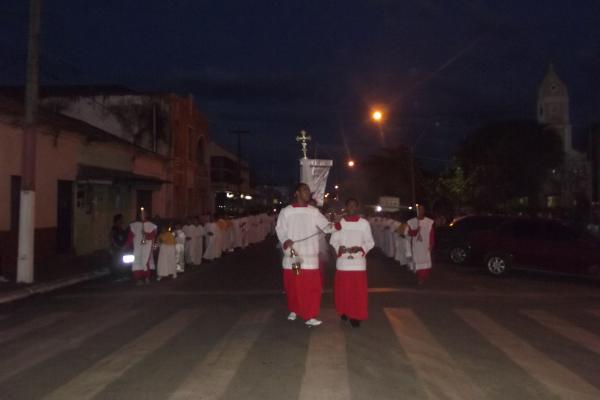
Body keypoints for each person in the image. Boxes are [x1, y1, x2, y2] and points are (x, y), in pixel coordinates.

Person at [275, 183, 335, 327]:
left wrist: (335, 223)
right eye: (304, 190)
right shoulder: (286, 211)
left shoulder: (313, 211)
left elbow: (327, 227)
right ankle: (294, 309)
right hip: (294, 256)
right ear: (297, 193)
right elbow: (280, 229)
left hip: (310, 257)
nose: (308, 192)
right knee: (294, 286)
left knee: (311, 287)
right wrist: (285, 240)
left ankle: (310, 315)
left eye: (308, 190)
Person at [329, 198, 374, 328]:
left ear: (357, 208)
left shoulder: (364, 223)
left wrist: (361, 248)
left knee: (357, 292)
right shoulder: (340, 223)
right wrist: (340, 248)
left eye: (354, 206)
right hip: (343, 263)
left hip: (358, 263)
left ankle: (355, 315)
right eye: (349, 206)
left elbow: (370, 242)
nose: (352, 208)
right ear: (346, 208)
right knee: (343, 291)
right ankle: (344, 311)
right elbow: (333, 240)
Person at [126, 208, 157, 285]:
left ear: (147, 215)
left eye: (144, 213)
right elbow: (130, 236)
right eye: (141, 214)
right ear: (139, 215)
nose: (142, 215)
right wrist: (127, 245)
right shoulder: (134, 225)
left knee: (145, 260)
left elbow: (153, 235)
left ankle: (146, 277)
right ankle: (138, 279)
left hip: (147, 246)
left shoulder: (151, 225)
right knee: (137, 261)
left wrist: (146, 235)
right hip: (137, 246)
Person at [406, 204, 435, 285]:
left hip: (425, 245)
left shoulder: (429, 222)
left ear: (424, 211)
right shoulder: (412, 222)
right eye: (419, 210)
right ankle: (420, 277)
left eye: (422, 209)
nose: (420, 211)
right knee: (418, 262)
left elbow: (431, 234)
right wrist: (415, 230)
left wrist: (431, 244)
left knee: (426, 262)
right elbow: (409, 233)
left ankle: (424, 276)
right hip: (417, 246)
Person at [108, 214, 129, 281]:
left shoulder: (121, 228)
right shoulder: (114, 228)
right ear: (117, 220)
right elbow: (111, 237)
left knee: (121, 262)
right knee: (116, 262)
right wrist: (115, 245)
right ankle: (116, 276)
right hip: (116, 248)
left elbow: (124, 237)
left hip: (121, 248)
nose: (122, 221)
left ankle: (121, 275)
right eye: (121, 219)